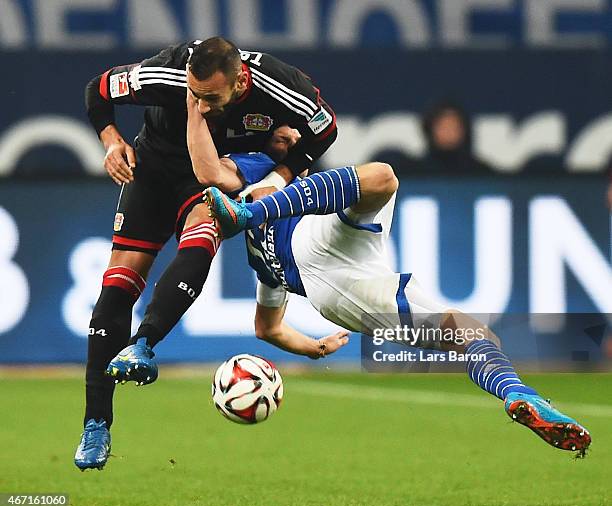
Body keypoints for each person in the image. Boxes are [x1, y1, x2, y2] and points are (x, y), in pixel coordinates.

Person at [201, 135, 591, 458]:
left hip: (333, 301)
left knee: (472, 336)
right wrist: (279, 172)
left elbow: (266, 328)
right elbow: (279, 173)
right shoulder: (262, 178)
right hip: (319, 242)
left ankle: (518, 395)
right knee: (382, 177)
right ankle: (516, 391)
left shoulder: (260, 263)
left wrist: (313, 349)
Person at [75, 36, 337, 470]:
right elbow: (97, 90)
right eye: (193, 95)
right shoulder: (168, 74)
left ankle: (143, 345)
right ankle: (96, 424)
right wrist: (111, 140)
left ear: (239, 81)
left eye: (211, 98)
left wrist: (284, 172)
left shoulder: (279, 84)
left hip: (211, 175)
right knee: (116, 290)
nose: (200, 104)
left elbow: (325, 128)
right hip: (153, 169)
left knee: (203, 234)